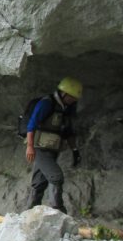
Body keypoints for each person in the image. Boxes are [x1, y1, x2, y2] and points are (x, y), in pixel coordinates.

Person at [25, 77, 83, 214]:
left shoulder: (66, 109)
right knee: (56, 177)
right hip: (39, 148)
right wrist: (30, 146)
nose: (74, 100)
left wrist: (75, 150)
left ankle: (29, 212)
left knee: (39, 183)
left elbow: (68, 131)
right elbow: (31, 125)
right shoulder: (46, 104)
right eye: (72, 97)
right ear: (64, 94)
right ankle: (58, 210)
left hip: (52, 149)